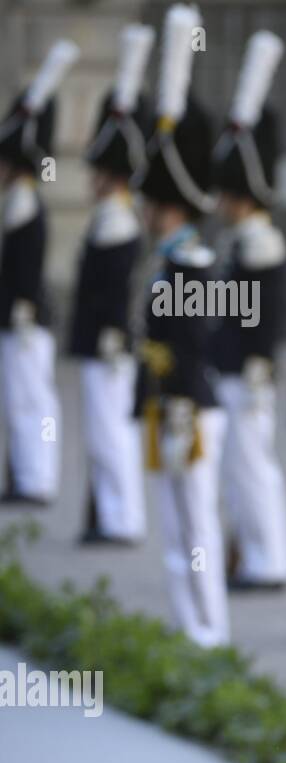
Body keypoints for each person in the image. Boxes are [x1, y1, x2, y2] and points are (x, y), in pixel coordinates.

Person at [133, 3, 228, 647]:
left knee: (196, 526)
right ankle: (185, 629)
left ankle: (208, 635)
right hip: (173, 408)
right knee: (177, 527)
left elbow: (192, 347)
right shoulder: (173, 260)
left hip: (190, 409)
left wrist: (181, 410)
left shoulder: (189, 265)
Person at [210, 30, 286, 591]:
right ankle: (253, 551)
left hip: (249, 371)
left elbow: (261, 317)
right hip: (235, 368)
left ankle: (269, 559)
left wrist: (256, 365)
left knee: (252, 465)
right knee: (238, 466)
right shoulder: (244, 237)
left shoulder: (260, 242)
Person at [68, 25, 153, 545]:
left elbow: (118, 290)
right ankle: (109, 512)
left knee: (110, 432)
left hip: (110, 342)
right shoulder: (109, 216)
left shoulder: (119, 220)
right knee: (100, 433)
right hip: (101, 340)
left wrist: (114, 333)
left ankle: (121, 517)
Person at [0, 39, 79, 506]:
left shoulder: (26, 204)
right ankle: (25, 474)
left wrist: (21, 312)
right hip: (17, 318)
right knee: (21, 400)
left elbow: (24, 271)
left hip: (26, 320)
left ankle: (37, 479)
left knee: (32, 400)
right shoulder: (18, 203)